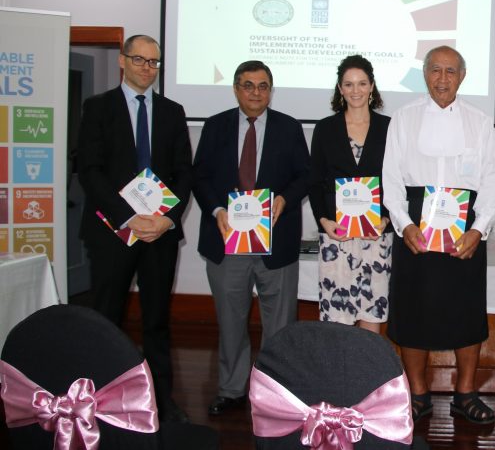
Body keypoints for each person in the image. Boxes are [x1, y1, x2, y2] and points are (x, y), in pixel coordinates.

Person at [381, 45, 495, 424]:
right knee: (412, 310)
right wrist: (404, 224)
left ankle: (465, 394)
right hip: (415, 228)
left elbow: (492, 183)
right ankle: (418, 395)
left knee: (466, 311)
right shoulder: (403, 119)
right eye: (436, 70)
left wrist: (479, 230)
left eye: (451, 71)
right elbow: (391, 180)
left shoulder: (480, 122)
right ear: (424, 74)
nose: (443, 78)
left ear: (462, 76)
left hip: (464, 230)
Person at [77, 34, 192, 423]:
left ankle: (161, 399)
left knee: (156, 321)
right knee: (106, 318)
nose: (147, 68)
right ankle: (98, 399)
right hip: (112, 231)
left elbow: (184, 172)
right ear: (122, 61)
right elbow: (89, 170)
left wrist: (166, 219)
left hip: (159, 232)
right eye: (140, 60)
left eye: (154, 62)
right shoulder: (98, 108)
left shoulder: (173, 112)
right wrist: (128, 216)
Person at [193, 60, 311, 416]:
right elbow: (200, 177)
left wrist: (284, 199)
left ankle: (276, 392)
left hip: (276, 241)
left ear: (270, 91)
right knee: (231, 322)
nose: (255, 92)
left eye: (262, 86)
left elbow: (305, 176)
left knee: (280, 325)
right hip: (227, 241)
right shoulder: (215, 126)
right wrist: (217, 210)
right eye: (248, 85)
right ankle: (231, 389)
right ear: (236, 89)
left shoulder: (289, 128)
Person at [308, 55, 392, 332]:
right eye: (349, 84)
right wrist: (324, 221)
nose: (356, 90)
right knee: (337, 322)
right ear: (340, 89)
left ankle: (370, 365)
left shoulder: (389, 128)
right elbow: (315, 181)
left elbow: (397, 181)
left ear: (372, 86)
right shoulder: (325, 129)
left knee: (372, 317)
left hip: (376, 237)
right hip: (337, 237)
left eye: (362, 83)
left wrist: (385, 219)